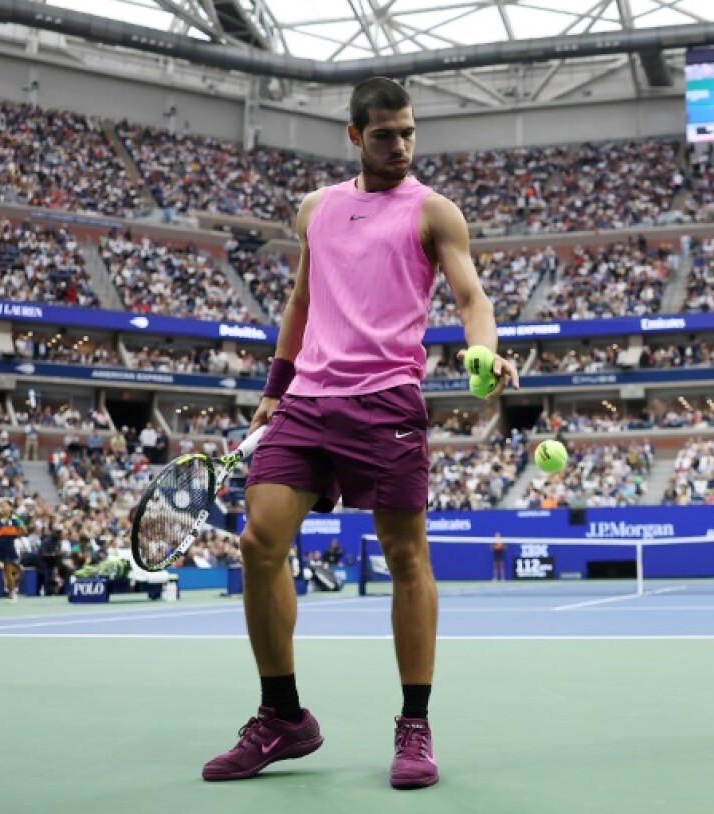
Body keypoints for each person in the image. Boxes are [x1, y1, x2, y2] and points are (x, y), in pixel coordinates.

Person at [200, 77, 520, 788]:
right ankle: (283, 716)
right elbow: (301, 300)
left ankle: (415, 725)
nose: (400, 146)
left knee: (406, 557)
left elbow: (472, 297)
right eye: (384, 135)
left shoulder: (434, 211)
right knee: (258, 544)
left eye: (408, 132)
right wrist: (273, 390)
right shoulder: (316, 208)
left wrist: (486, 349)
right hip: (306, 400)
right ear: (354, 135)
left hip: (386, 402)